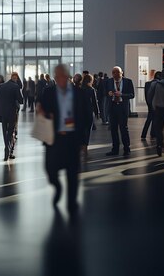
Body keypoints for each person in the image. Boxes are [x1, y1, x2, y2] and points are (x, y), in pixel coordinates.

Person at [37, 64, 91, 215]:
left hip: (72, 138)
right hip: (54, 139)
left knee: (72, 173)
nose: (58, 78)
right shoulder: (48, 93)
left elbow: (87, 115)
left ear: (67, 77)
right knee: (50, 170)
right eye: (56, 76)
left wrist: (82, 138)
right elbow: (42, 111)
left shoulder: (79, 93)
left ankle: (71, 203)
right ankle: (58, 187)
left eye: (60, 75)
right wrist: (42, 113)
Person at [104, 66, 135, 156]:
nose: (115, 74)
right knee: (113, 129)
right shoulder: (109, 81)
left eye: (117, 72)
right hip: (112, 107)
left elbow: (132, 95)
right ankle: (115, 149)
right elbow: (105, 92)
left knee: (123, 129)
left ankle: (126, 148)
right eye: (113, 72)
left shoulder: (128, 81)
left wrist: (122, 95)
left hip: (122, 108)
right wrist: (108, 93)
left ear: (122, 73)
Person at [0, 74, 23, 161]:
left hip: (2, 112)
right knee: (10, 131)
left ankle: (7, 149)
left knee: (4, 131)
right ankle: (8, 150)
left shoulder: (1, 86)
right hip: (12, 112)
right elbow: (21, 101)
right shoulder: (16, 87)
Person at [80, 74, 99, 161]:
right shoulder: (91, 89)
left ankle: (80, 149)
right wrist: (97, 113)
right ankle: (85, 151)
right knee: (87, 131)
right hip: (88, 113)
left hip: (80, 113)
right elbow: (95, 102)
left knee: (81, 131)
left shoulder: (79, 89)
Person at [141, 71, 161, 140]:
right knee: (155, 119)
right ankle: (153, 134)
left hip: (149, 103)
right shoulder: (159, 84)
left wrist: (148, 103)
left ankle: (144, 134)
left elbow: (147, 95)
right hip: (156, 104)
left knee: (149, 119)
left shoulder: (147, 84)